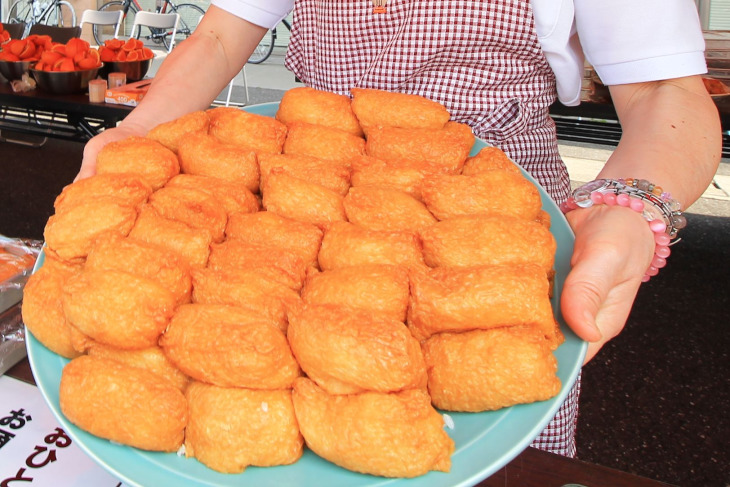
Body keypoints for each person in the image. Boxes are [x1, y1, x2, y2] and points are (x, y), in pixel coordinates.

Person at [78, 0, 722, 458]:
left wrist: (631, 210)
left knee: (486, 420)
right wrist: (136, 134)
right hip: (306, 200)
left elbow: (667, 90)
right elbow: (220, 36)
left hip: (493, 223)